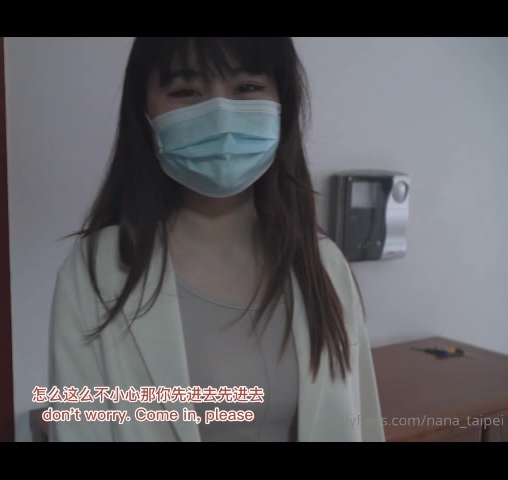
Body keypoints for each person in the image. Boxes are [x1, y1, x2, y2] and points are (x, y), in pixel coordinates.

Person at [46, 37, 385, 442]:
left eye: (247, 87)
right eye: (186, 91)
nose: (221, 114)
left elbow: (360, 423)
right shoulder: (96, 271)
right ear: (145, 112)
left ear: (283, 103)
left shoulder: (325, 265)